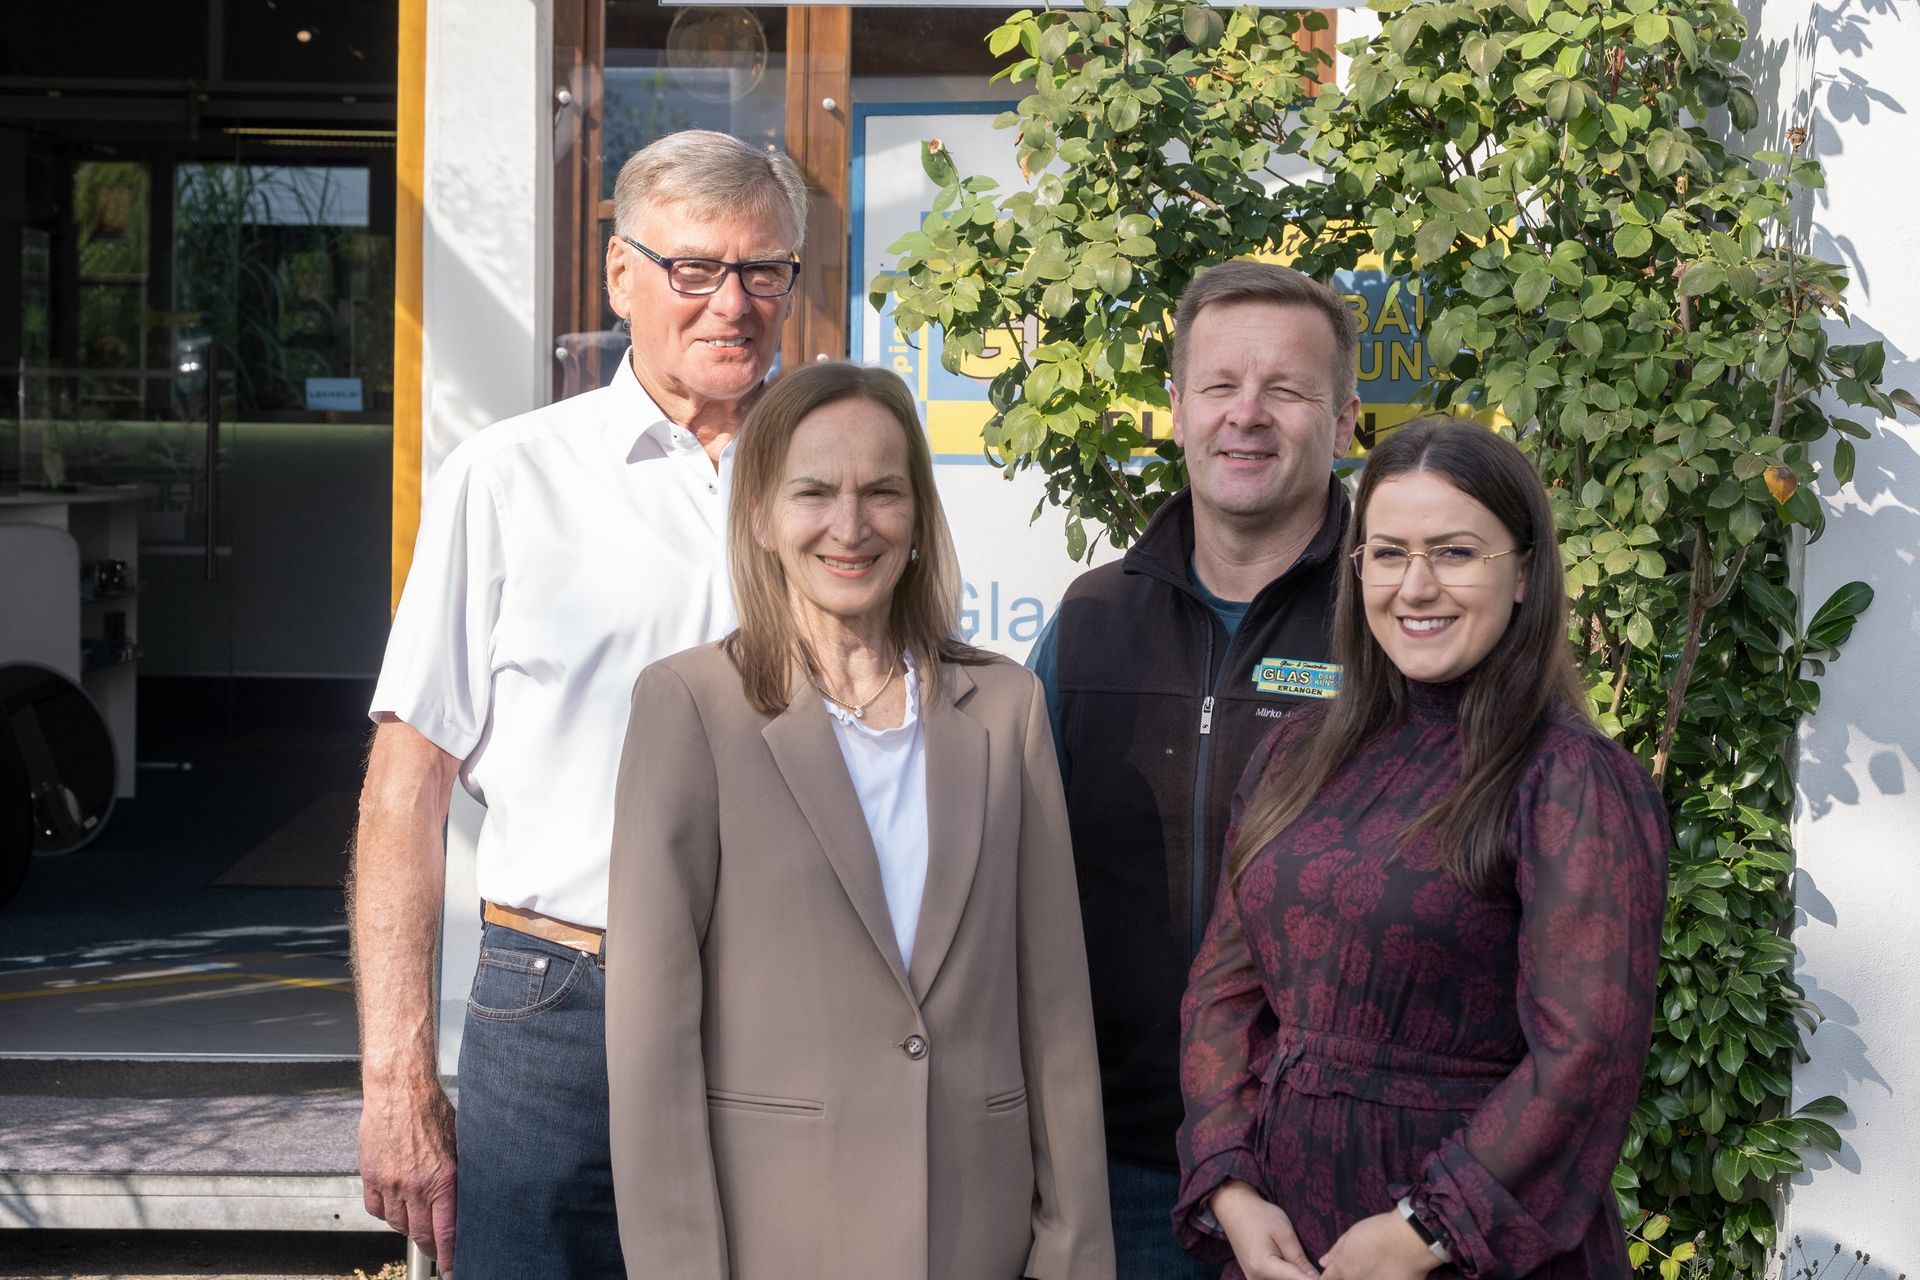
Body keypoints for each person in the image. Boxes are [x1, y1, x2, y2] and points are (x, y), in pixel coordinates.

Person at [350, 129, 809, 1278]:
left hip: (796, 990)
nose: (732, 304)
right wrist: (396, 1076)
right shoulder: (508, 480)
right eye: (693, 268)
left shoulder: (837, 490)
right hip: (561, 1002)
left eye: (765, 270)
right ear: (619, 274)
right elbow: (405, 792)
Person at [604, 361, 1115, 1280]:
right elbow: (651, 1042)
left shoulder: (1006, 707)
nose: (851, 526)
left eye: (882, 492)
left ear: (917, 516)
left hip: (978, 1239)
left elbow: (1057, 1019)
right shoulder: (691, 706)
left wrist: (1073, 1253)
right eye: (814, 493)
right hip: (778, 1241)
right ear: (760, 516)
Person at [1175, 417, 1669, 1280]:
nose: (1416, 585)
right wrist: (1231, 1192)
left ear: (1523, 573)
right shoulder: (1295, 754)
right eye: (1389, 553)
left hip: (1467, 1246)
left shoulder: (1569, 778)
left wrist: (1424, 1231)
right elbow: (1223, 995)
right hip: (1286, 1237)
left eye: (1455, 553)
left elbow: (1587, 1053)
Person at [1027, 260, 1362, 1277]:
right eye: (1219, 386)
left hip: (1324, 1181)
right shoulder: (1088, 624)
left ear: (1346, 420)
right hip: (1115, 1169)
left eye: (1288, 390)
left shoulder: (1393, 620)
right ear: (1176, 408)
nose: (1247, 416)